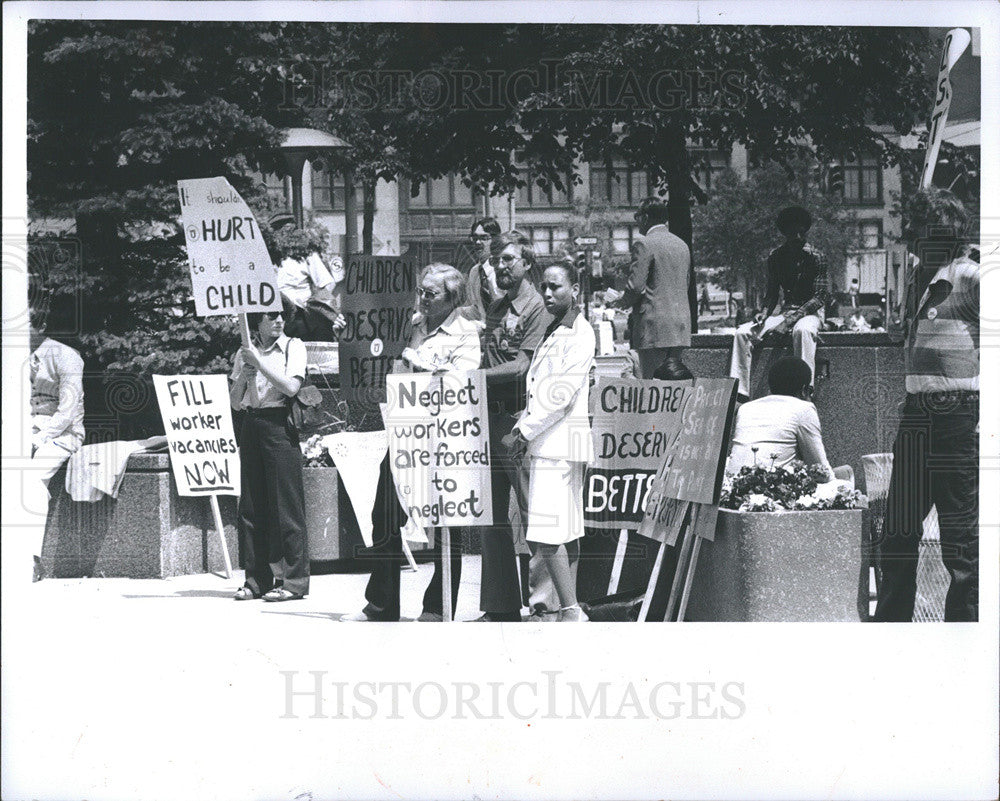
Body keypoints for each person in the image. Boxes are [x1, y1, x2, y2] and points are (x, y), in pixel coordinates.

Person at [344, 263, 482, 621]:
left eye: (430, 293)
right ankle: (383, 599)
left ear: (452, 299)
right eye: (420, 290)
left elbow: (459, 381)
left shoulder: (466, 333)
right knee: (385, 511)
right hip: (406, 433)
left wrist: (416, 359)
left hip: (445, 438)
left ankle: (439, 604)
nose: (422, 297)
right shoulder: (412, 326)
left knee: (444, 522)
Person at [874, 188, 978, 622]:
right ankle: (893, 622)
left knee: (960, 532)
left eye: (920, 230)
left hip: (956, 411)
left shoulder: (972, 276)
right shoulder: (921, 278)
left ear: (942, 232)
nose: (912, 238)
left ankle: (964, 629)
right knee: (899, 526)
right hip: (917, 411)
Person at [503, 261, 595, 622]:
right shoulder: (557, 329)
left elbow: (560, 394)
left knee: (546, 530)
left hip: (555, 443)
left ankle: (570, 609)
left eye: (556, 286)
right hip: (556, 442)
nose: (547, 293)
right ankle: (566, 606)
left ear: (575, 289)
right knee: (565, 528)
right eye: (543, 286)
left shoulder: (578, 332)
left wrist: (522, 432)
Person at [472, 234, 551, 622]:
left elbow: (522, 365)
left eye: (507, 260)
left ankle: (542, 605)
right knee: (490, 516)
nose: (500, 267)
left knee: (532, 511)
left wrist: (472, 377)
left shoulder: (537, 306)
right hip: (490, 416)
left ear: (526, 263)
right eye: (495, 260)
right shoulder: (497, 306)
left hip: (520, 419)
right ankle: (500, 604)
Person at [229, 309, 310, 601]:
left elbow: (291, 387)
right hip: (252, 422)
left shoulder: (293, 346)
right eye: (270, 316)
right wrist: (244, 374)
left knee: (286, 505)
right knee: (251, 505)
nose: (278, 321)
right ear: (256, 323)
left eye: (281, 316)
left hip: (280, 424)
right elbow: (235, 403)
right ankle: (256, 580)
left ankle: (293, 581)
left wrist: (260, 365)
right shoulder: (245, 352)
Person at [729, 206, 829, 400]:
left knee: (803, 332)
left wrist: (789, 321)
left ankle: (804, 390)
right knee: (742, 333)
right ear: (785, 234)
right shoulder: (776, 257)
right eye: (793, 233)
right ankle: (740, 393)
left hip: (809, 314)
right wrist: (764, 312)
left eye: (802, 232)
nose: (798, 237)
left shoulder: (817, 257)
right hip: (786, 312)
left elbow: (819, 297)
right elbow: (772, 291)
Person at [28, 294, 85, 582]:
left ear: (40, 325)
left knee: (33, 476)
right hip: (27, 429)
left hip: (63, 434)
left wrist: (40, 438)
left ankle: (31, 557)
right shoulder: (16, 356)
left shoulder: (66, 357)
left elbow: (67, 412)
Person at [609, 198, 692, 379]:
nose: (636, 220)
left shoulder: (644, 244)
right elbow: (684, 284)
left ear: (645, 217)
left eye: (637, 216)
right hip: (680, 326)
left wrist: (622, 301)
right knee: (675, 382)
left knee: (651, 384)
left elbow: (636, 287)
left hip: (653, 326)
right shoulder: (682, 245)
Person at [726, 356, 837, 482]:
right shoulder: (804, 409)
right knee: (846, 473)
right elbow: (819, 469)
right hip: (773, 492)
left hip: (734, 487)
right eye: (809, 391)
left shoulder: (746, 408)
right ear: (804, 390)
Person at [270, 214, 346, 341]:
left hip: (299, 319)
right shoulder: (271, 258)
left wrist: (312, 306)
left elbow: (327, 283)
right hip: (275, 318)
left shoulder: (306, 255)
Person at [463, 216, 504, 320]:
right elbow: (477, 309)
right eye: (475, 238)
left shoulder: (503, 268)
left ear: (496, 240)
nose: (477, 242)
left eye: (484, 238)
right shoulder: (474, 272)